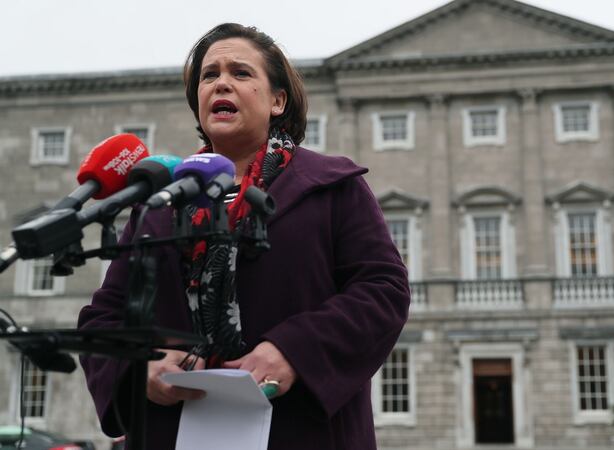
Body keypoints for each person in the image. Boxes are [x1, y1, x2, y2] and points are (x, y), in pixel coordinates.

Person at [78, 23, 410, 450]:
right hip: (173, 431)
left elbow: (383, 291)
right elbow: (105, 318)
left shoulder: (333, 185)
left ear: (277, 100)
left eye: (241, 72)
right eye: (209, 75)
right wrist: (140, 368)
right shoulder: (156, 204)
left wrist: (294, 351)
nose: (222, 83)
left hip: (301, 428)